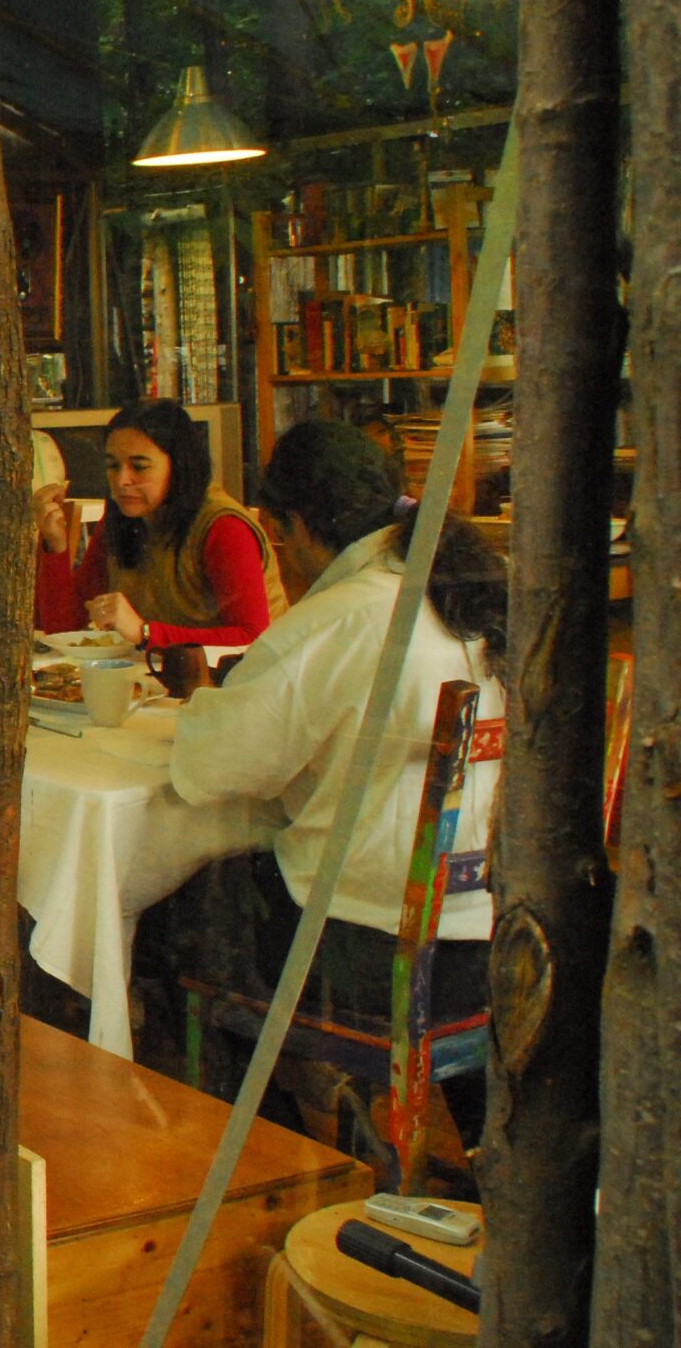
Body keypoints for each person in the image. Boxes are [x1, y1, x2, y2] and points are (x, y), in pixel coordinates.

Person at [166, 420, 507, 1125]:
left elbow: (210, 768)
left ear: (291, 524)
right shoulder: (464, 585)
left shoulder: (345, 616)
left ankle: (274, 1148)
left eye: (282, 543)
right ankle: (460, 1134)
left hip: (380, 950)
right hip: (500, 931)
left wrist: (201, 701)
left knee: (177, 914)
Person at [34, 398, 286, 650]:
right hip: (156, 678)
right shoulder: (119, 521)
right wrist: (55, 545)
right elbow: (65, 631)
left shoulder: (223, 527)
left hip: (235, 681)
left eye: (139, 467)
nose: (122, 480)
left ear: (178, 466)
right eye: (112, 465)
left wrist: (145, 633)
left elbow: (252, 638)